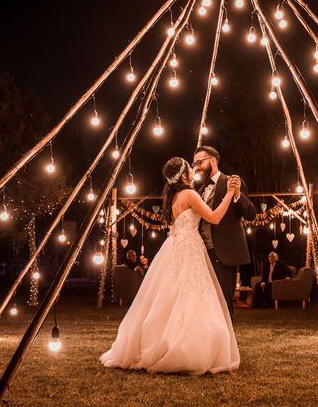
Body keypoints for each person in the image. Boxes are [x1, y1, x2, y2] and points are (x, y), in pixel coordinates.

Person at [100, 157, 240, 374]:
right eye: (189, 167)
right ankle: (186, 349)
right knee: (191, 294)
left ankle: (166, 341)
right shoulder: (190, 194)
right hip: (189, 247)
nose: (194, 169)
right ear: (184, 176)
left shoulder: (174, 196)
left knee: (170, 295)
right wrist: (230, 194)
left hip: (176, 246)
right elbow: (213, 217)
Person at [193, 145, 256, 319]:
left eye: (199, 162)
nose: (196, 167)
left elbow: (251, 214)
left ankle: (226, 343)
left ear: (212, 160)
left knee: (223, 300)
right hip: (202, 252)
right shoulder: (199, 190)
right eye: (195, 163)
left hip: (225, 253)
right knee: (205, 301)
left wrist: (237, 195)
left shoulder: (232, 181)